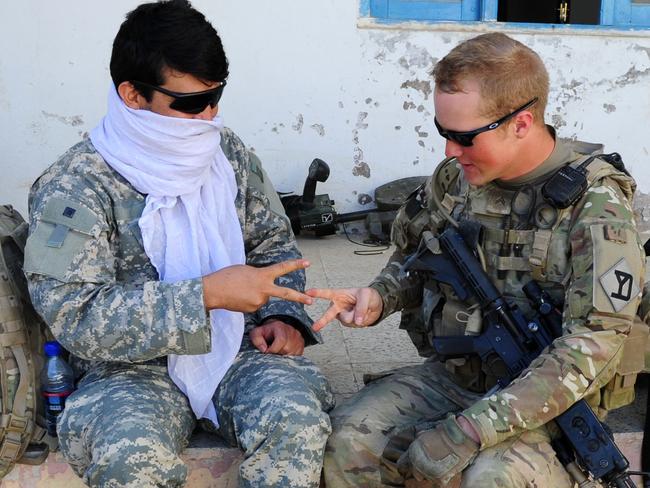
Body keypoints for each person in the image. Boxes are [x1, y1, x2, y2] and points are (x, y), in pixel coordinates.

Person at [308, 32, 645, 487]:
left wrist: (470, 430)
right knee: (347, 438)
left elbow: (594, 344)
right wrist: (380, 296)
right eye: (443, 132)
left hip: (546, 399)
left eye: (464, 137)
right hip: (456, 379)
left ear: (521, 123)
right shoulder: (455, 179)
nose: (450, 150)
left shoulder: (595, 205)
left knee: (491, 478)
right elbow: (413, 256)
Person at [23, 1, 334, 487]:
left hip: (238, 348)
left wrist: (282, 318)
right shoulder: (75, 186)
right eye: (190, 104)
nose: (208, 115)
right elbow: (75, 316)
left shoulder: (226, 153)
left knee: (298, 421)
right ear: (132, 94)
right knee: (132, 459)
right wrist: (206, 295)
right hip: (128, 370)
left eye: (216, 97)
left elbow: (274, 244)